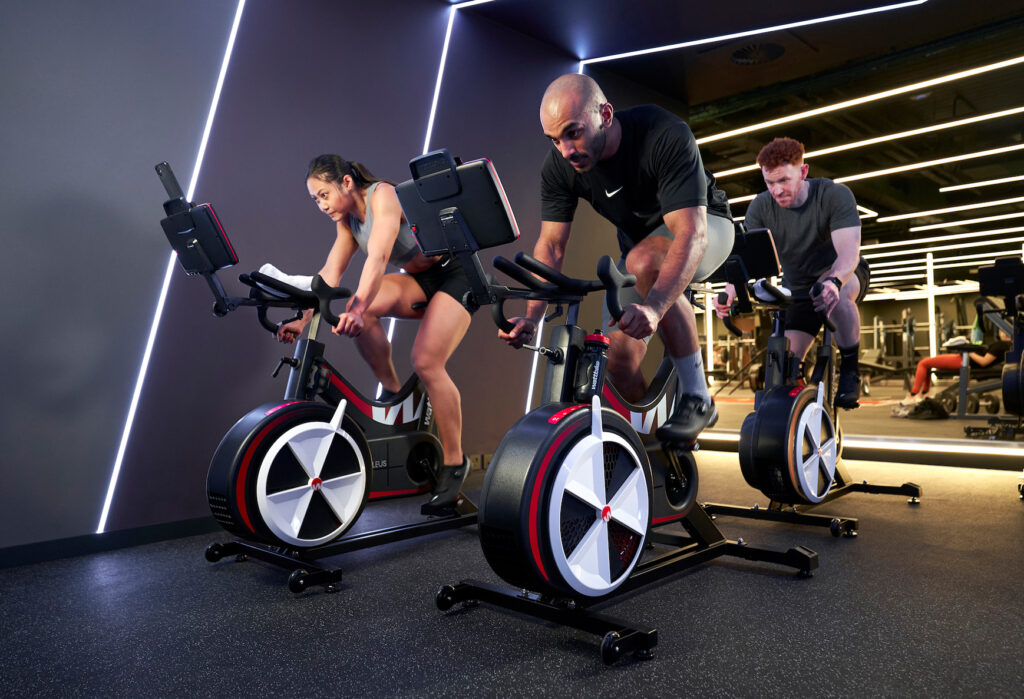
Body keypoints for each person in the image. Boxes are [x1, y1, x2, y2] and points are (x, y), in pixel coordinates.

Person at [499, 73, 735, 443]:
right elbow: (551, 245)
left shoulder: (663, 133)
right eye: (554, 140)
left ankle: (697, 396)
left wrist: (655, 308)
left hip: (707, 227)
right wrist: (533, 318)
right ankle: (655, 455)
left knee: (646, 261)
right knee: (616, 361)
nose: (565, 150)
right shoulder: (561, 165)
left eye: (573, 133)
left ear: (605, 115)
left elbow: (692, 233)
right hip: (643, 252)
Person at [277, 155, 474, 513]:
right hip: (420, 280)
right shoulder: (348, 222)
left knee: (427, 362)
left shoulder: (384, 196)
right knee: (360, 307)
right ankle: (397, 399)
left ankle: (455, 463)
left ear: (347, 183)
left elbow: (379, 258)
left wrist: (355, 309)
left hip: (456, 275)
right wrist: (302, 320)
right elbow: (329, 276)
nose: (321, 205)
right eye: (315, 200)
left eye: (323, 195)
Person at [715, 137, 869, 409]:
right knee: (786, 364)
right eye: (770, 183)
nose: (776, 190)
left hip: (841, 273)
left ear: (804, 172)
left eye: (784, 181)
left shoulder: (833, 195)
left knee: (838, 292)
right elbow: (746, 261)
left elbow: (848, 253)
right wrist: (729, 294)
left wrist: (833, 281)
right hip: (797, 285)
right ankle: (796, 408)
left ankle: (850, 369)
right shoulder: (761, 207)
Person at [897, 329, 1012, 407]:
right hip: (963, 358)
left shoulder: (1000, 345)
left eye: (1001, 330)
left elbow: (983, 362)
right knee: (927, 364)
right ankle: (924, 394)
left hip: (963, 360)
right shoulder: (1008, 346)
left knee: (923, 363)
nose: (999, 332)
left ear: (1005, 333)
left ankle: (913, 395)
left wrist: (967, 350)